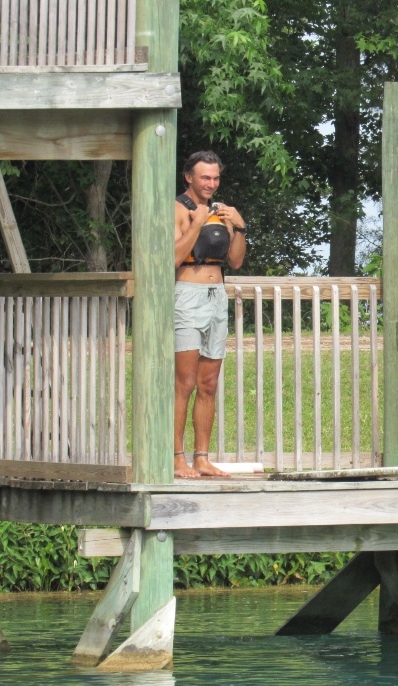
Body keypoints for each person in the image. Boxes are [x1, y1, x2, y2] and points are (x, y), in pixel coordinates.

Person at [173, 151, 247, 478]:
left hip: (216, 296)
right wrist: (198, 221)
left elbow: (235, 261)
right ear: (188, 177)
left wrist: (240, 226)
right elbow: (172, 257)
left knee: (208, 383)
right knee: (184, 382)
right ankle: (176, 457)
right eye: (205, 178)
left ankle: (201, 457)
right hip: (186, 295)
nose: (211, 184)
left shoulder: (222, 212)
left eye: (215, 178)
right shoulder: (177, 209)